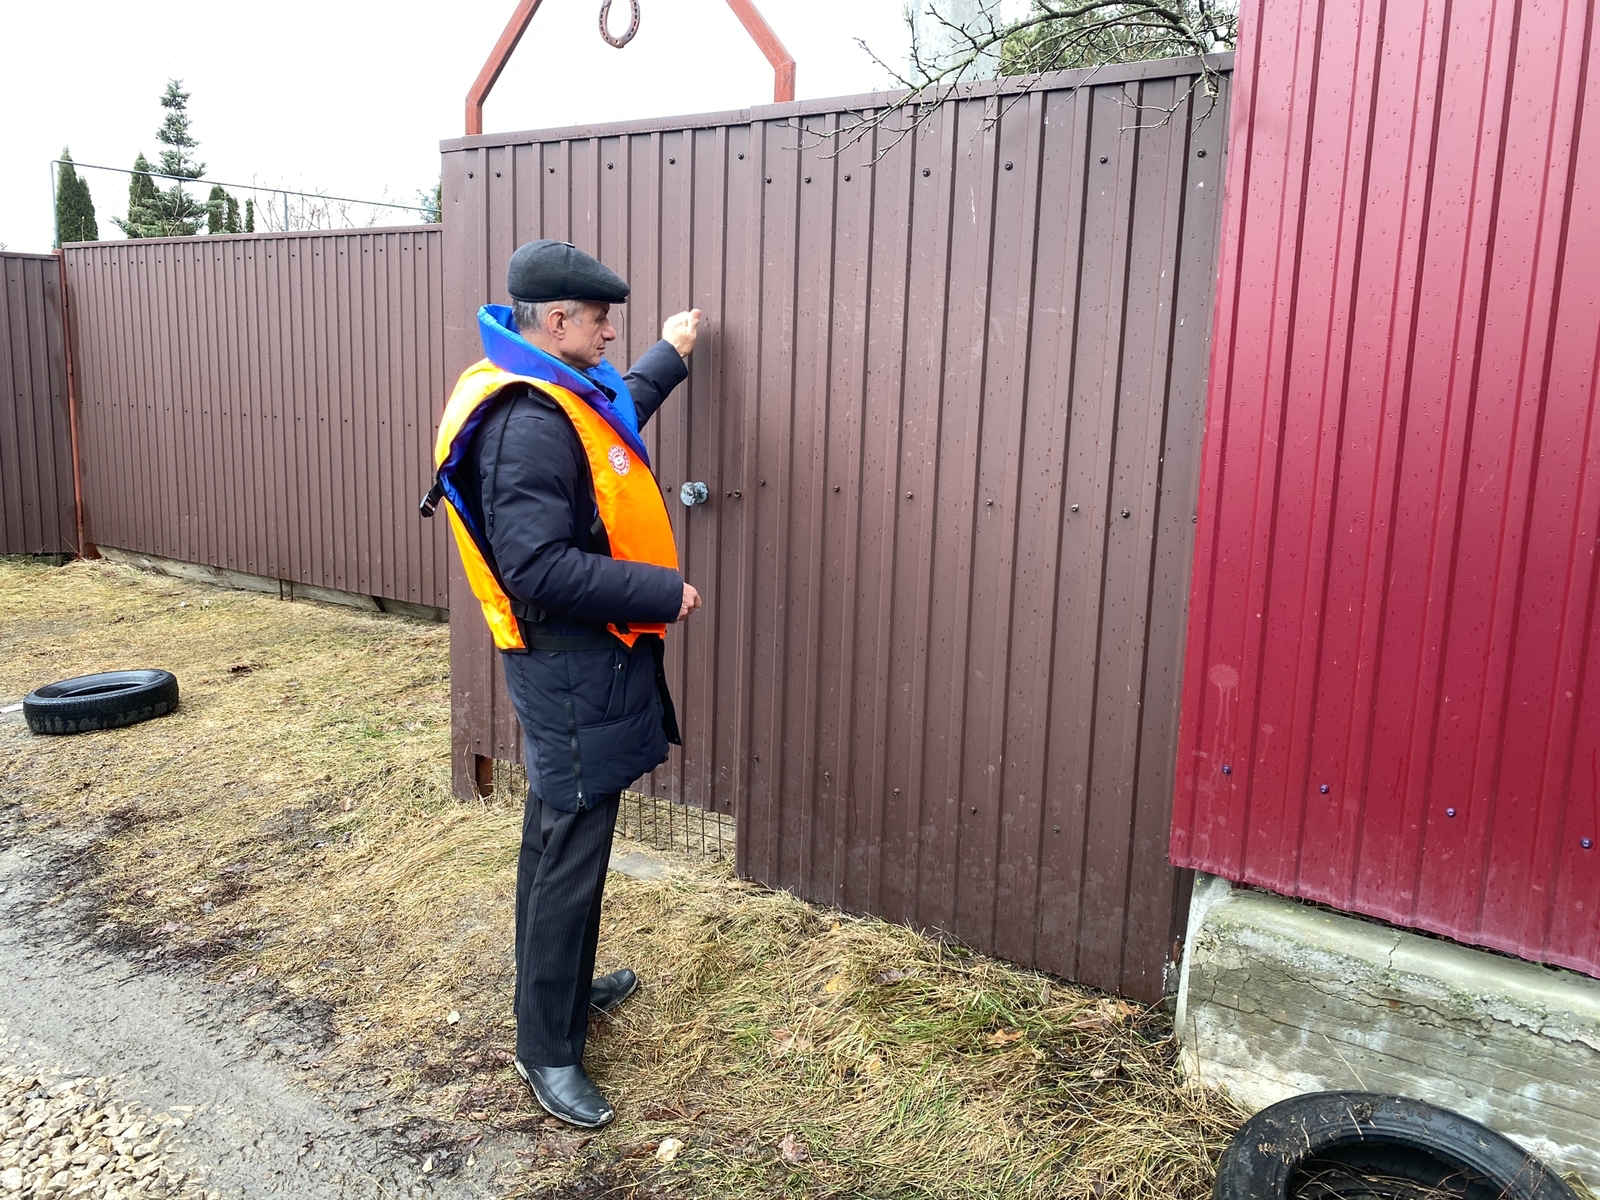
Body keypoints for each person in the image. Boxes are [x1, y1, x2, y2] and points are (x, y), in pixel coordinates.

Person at [422, 239, 703, 1128]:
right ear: (556, 321)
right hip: (570, 663)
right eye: (599, 320)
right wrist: (662, 592)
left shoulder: (552, 391)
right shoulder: (527, 422)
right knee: (569, 854)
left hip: (582, 663)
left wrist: (670, 355)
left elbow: (612, 427)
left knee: (557, 835)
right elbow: (535, 566)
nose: (609, 332)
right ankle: (546, 1047)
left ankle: (561, 993)